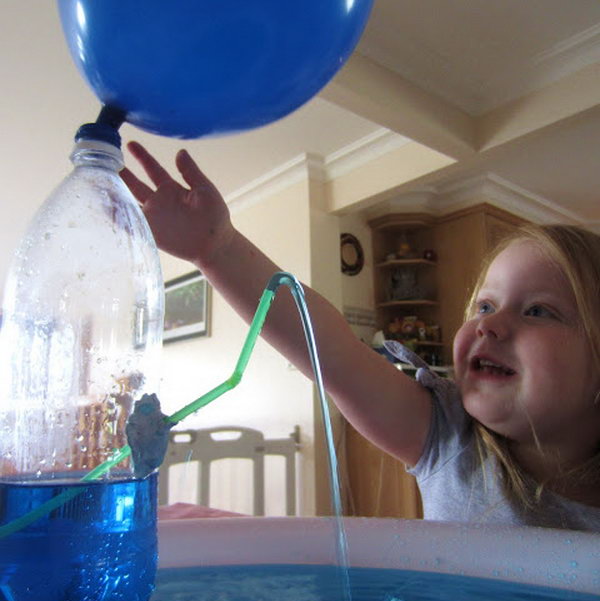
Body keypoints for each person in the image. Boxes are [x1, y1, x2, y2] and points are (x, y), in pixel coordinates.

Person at [121, 142, 600, 531]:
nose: (489, 325)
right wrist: (218, 250)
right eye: (485, 306)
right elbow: (333, 352)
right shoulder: (448, 437)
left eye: (538, 310)